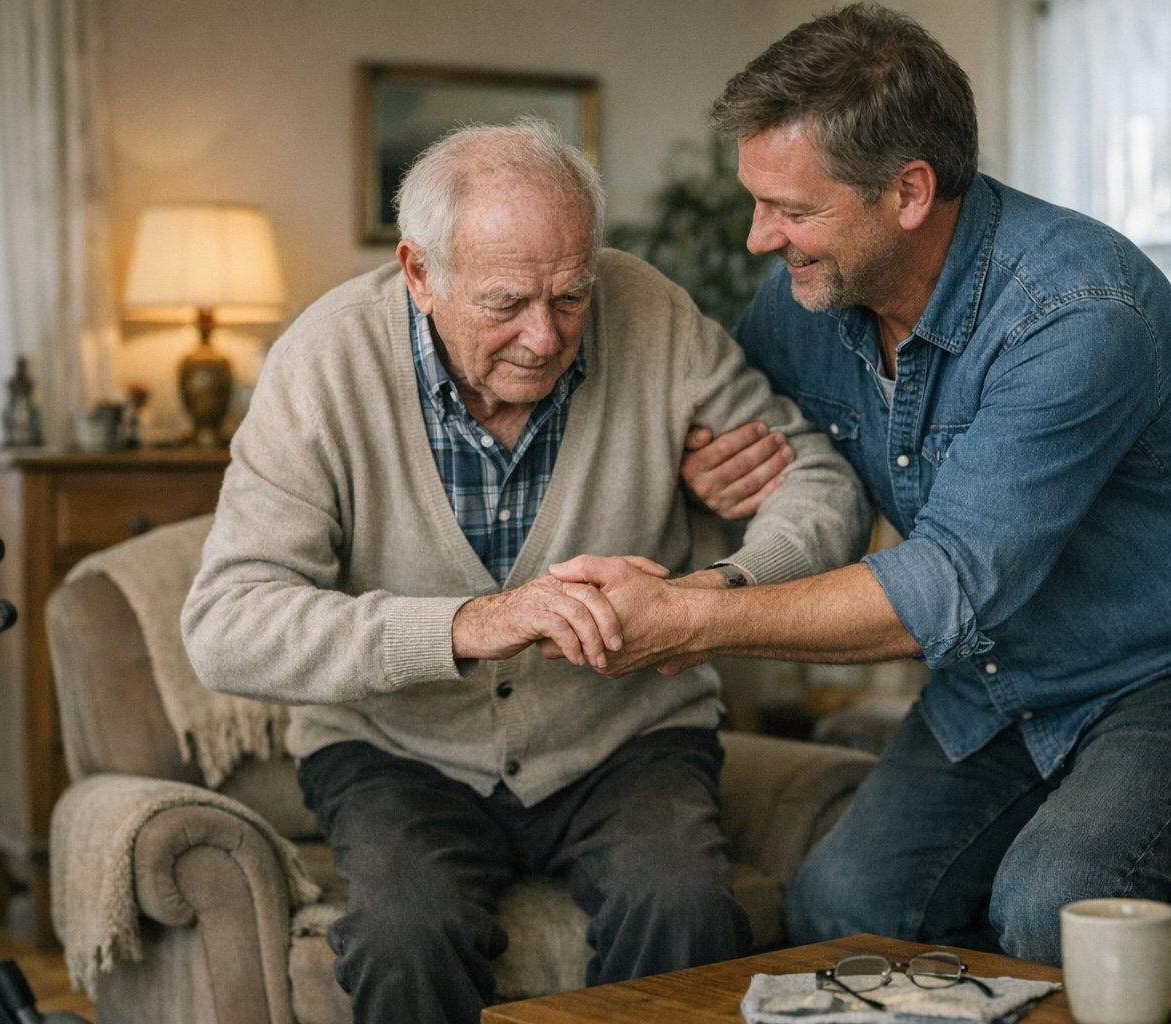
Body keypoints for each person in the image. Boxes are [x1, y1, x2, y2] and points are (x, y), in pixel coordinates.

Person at [547, 5, 1171, 966]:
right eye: (756, 202)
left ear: (911, 192)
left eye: (793, 210)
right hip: (1011, 669)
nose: (762, 238)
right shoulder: (807, 296)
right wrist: (707, 461)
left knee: (1057, 901)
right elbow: (736, 431)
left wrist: (687, 616)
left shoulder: (1075, 312)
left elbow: (944, 588)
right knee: (845, 905)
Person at [179, 119, 870, 1024]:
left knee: (687, 908)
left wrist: (716, 593)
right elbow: (226, 625)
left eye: (571, 296)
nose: (545, 338)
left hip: (627, 738)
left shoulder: (651, 313)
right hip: (396, 753)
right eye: (506, 303)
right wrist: (468, 625)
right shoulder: (324, 363)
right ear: (419, 272)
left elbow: (824, 488)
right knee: (404, 934)